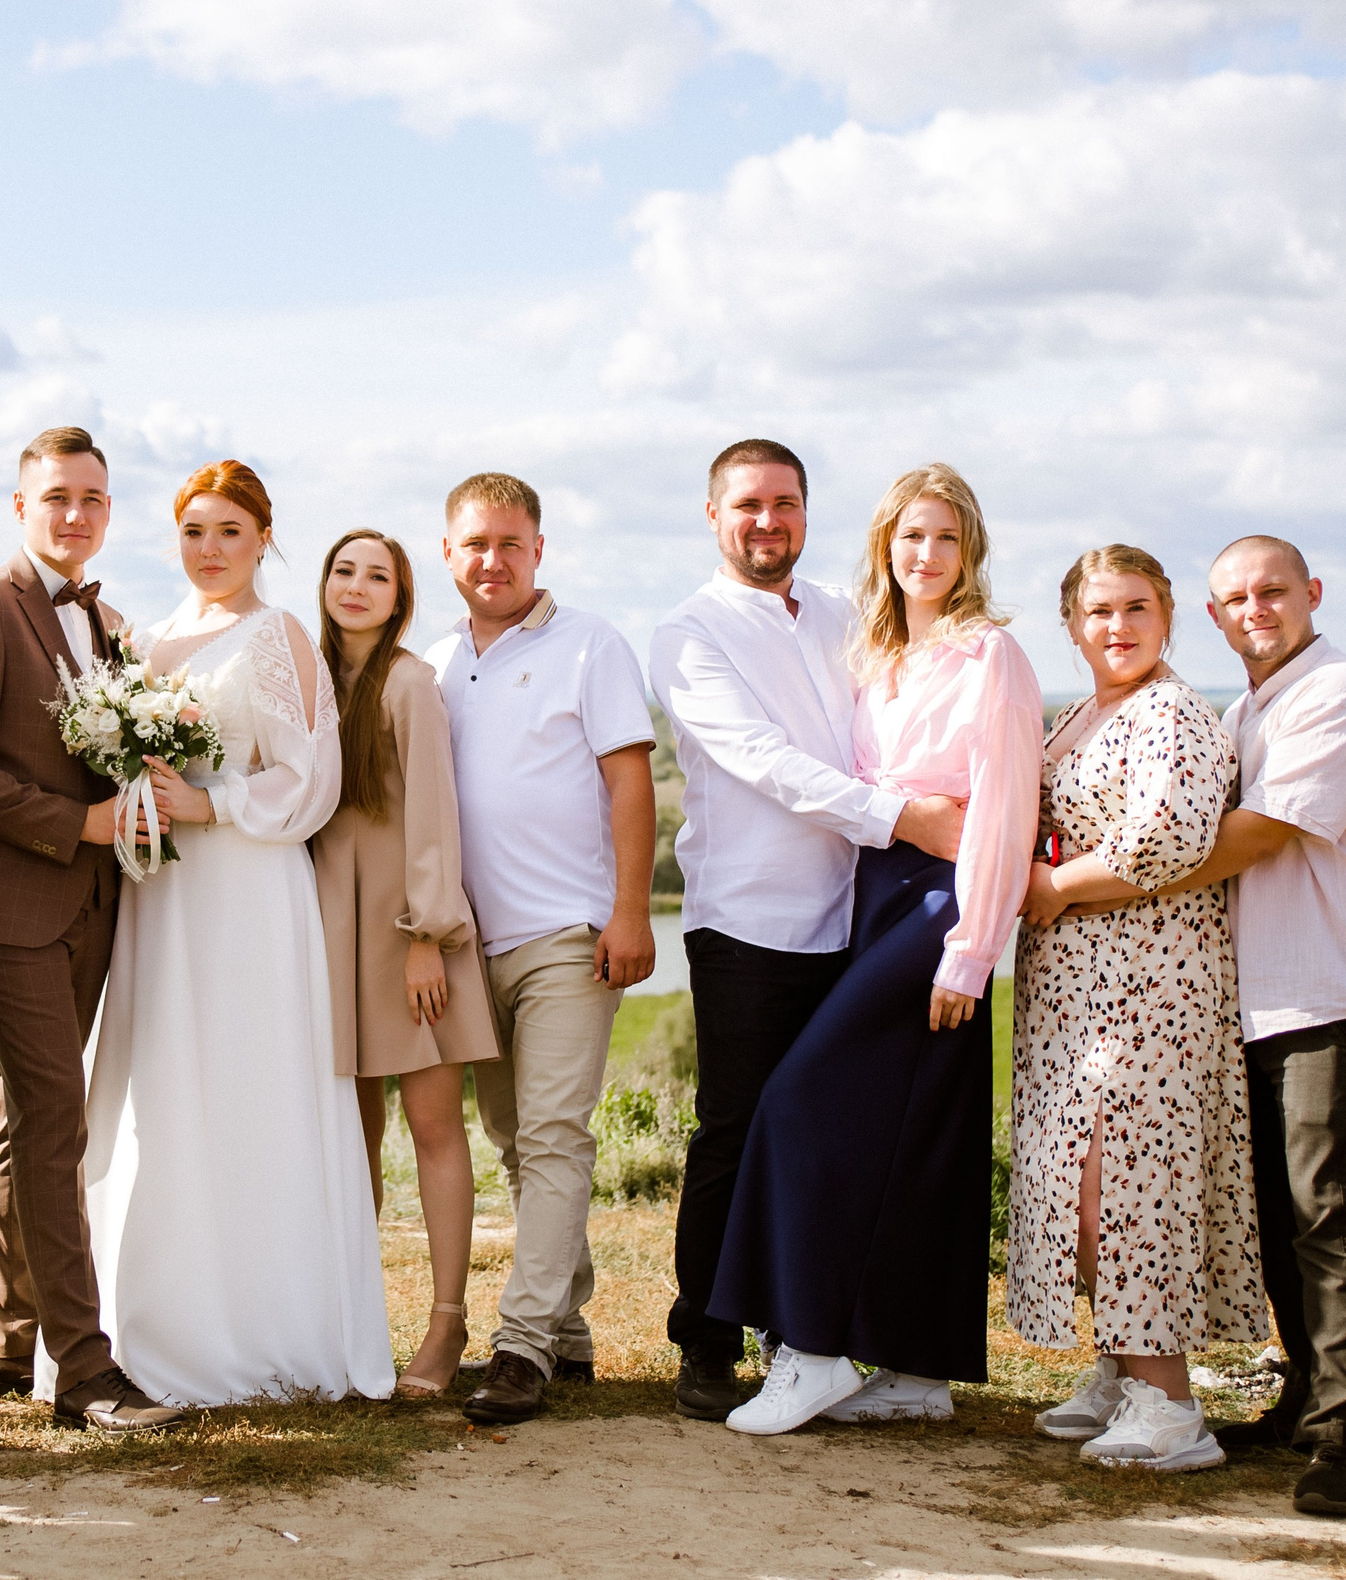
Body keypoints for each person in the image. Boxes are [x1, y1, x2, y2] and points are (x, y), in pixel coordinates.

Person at [712, 461, 1041, 1436]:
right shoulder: (880, 653)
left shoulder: (993, 657)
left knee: (800, 1100)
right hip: (881, 891)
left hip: (946, 904)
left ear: (968, 549)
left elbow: (1004, 810)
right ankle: (920, 1367)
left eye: (944, 537)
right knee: (926, 1131)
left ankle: (808, 1350)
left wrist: (973, 948)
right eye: (909, 538)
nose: (926, 554)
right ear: (883, 549)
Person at [649, 440, 967, 1423]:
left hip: (859, 918)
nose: (767, 522)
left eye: (784, 503)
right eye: (747, 504)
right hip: (748, 921)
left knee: (829, 1136)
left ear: (805, 512)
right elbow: (762, 761)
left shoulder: (842, 611)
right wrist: (907, 819)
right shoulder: (687, 632)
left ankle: (810, 1337)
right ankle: (705, 1338)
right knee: (735, 1135)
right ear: (713, 516)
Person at [76, 466, 392, 1405]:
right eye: (193, 530)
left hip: (249, 890)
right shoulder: (146, 641)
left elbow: (312, 777)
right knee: (164, 1090)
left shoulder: (278, 636)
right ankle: (157, 1319)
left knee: (254, 1086)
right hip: (159, 900)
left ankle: (267, 1322)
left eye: (229, 530)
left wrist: (207, 806)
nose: (209, 548)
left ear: (264, 538)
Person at [0, 428, 188, 1432]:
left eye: (92, 499)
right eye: (56, 498)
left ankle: (4, 1334)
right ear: (20, 506)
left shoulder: (110, 622)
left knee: (20, 1114)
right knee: (52, 1114)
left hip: (95, 903)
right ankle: (83, 1374)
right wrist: (70, 823)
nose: (75, 515)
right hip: (11, 902)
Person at [1151, 537, 1346, 1519]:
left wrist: (1106, 875)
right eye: (1234, 599)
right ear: (1214, 619)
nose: (1254, 609)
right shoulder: (1243, 708)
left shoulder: (1343, 692)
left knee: (1328, 1214)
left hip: (1332, 997)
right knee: (1277, 1214)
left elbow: (1261, 834)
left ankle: (1345, 1438)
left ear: (1312, 593)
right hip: (1257, 1003)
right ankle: (1303, 1395)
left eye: (1272, 591)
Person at [1011, 545, 1268, 1472]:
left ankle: (1170, 1402)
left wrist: (1054, 886)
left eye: (1134, 607)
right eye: (1097, 611)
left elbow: (1167, 837)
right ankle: (1122, 1366)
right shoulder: (1082, 713)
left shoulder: (1173, 712)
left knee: (1121, 1180)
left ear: (1167, 615)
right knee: (1071, 1171)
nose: (1116, 626)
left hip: (1149, 977)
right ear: (1072, 624)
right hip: (1075, 985)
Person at [427, 472, 659, 1426]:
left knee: (556, 1134)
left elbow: (631, 785)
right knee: (516, 1139)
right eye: (475, 543)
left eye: (510, 543)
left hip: (569, 936)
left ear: (539, 549)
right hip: (472, 944)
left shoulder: (590, 643)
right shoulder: (435, 661)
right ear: (448, 553)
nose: (493, 559)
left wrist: (632, 911)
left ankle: (519, 1346)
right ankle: (565, 1324)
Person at [311, 528, 498, 1398]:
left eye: (376, 575)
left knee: (432, 1128)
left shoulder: (411, 682)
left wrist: (428, 934)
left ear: (400, 596)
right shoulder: (310, 677)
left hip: (408, 934)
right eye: (343, 570)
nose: (356, 586)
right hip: (329, 930)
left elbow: (433, 811)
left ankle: (446, 1322)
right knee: (350, 1142)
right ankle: (352, 1323)